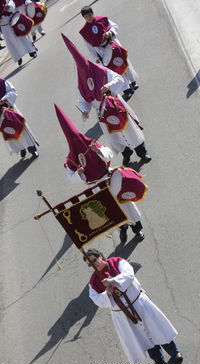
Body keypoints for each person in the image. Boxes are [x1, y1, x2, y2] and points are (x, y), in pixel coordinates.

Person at [55, 104, 146, 242]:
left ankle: (137, 229)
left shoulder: (91, 143)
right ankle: (123, 229)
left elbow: (109, 154)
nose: (78, 142)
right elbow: (71, 178)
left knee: (126, 203)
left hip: (110, 178)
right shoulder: (70, 160)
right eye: (74, 141)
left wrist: (98, 151)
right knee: (113, 211)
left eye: (78, 138)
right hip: (96, 187)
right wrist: (79, 173)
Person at [62, 34, 151, 166]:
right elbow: (83, 101)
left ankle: (142, 152)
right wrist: (85, 111)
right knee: (115, 137)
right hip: (102, 113)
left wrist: (109, 86)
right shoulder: (81, 84)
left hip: (114, 104)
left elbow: (119, 79)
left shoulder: (102, 71)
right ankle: (126, 154)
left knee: (129, 130)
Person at [84, 248, 183, 364]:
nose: (94, 265)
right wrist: (107, 293)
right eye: (90, 264)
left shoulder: (117, 262)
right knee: (142, 336)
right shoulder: (93, 282)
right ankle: (158, 360)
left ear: (100, 256)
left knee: (156, 327)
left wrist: (113, 281)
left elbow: (129, 274)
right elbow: (97, 300)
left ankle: (174, 352)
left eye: (94, 260)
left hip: (139, 303)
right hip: (123, 313)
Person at [79, 6, 138, 101]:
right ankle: (127, 89)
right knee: (114, 70)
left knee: (123, 63)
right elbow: (89, 46)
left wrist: (110, 33)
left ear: (92, 13)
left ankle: (132, 82)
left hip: (112, 45)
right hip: (102, 52)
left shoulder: (102, 20)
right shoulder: (84, 31)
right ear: (84, 18)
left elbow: (115, 27)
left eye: (89, 15)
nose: (89, 18)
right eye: (86, 16)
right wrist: (95, 57)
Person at [0, 0, 37, 65]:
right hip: (3, 25)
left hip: (11, 19)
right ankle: (18, 57)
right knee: (11, 42)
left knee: (22, 36)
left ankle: (32, 51)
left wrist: (9, 7)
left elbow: (10, 1)